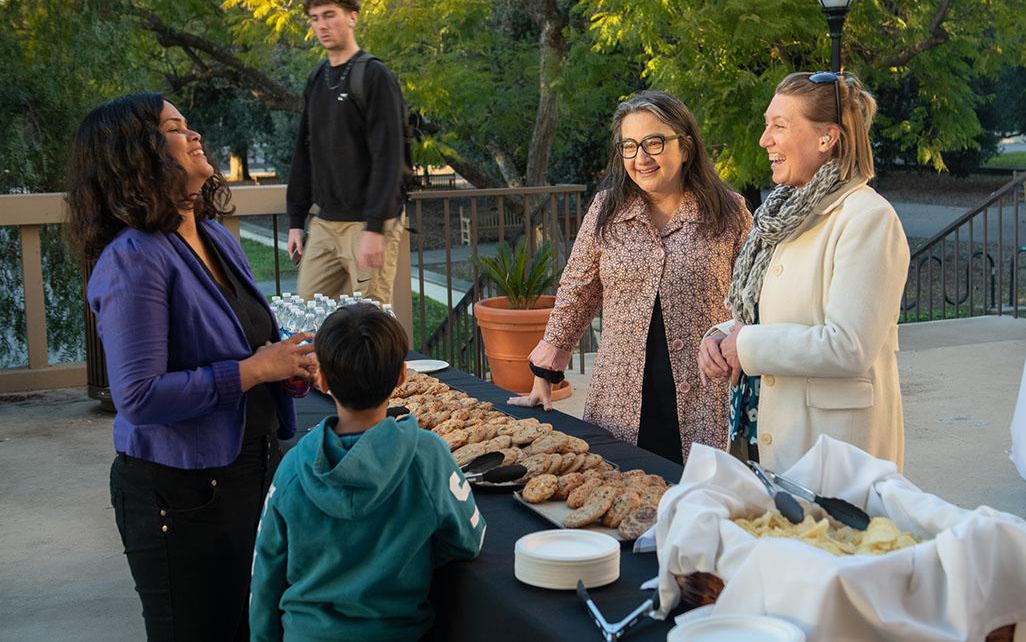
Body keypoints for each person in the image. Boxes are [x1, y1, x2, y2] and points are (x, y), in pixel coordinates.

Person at [66, 92, 316, 641]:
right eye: (176, 127)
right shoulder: (133, 259)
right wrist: (253, 371)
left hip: (248, 472)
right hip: (178, 495)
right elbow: (138, 395)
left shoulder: (217, 239)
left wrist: (286, 369)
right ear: (139, 155)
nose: (195, 134)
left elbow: (242, 349)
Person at [509, 91, 752, 465]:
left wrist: (738, 341)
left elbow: (753, 299)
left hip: (707, 395)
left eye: (654, 143)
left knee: (700, 503)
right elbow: (577, 291)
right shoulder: (606, 210)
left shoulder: (729, 211)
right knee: (622, 498)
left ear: (685, 148)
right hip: (621, 397)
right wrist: (544, 376)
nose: (641, 158)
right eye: (629, 146)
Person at [698, 72, 909, 473]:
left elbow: (848, 346)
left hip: (832, 455)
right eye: (767, 125)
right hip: (761, 436)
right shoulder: (784, 215)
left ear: (826, 138)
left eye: (779, 126)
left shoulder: (867, 218)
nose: (765, 140)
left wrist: (746, 347)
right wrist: (722, 335)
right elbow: (775, 317)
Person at [249, 304, 485, 640]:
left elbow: (266, 574)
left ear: (323, 380)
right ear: (403, 376)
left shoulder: (292, 469)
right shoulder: (428, 455)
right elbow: (467, 540)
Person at [286, 0, 409, 305]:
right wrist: (296, 221)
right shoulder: (317, 77)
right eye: (314, 19)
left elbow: (390, 156)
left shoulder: (373, 75)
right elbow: (304, 150)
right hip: (325, 222)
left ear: (352, 17)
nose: (321, 25)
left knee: (369, 319)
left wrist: (374, 227)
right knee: (308, 312)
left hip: (368, 222)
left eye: (329, 15)